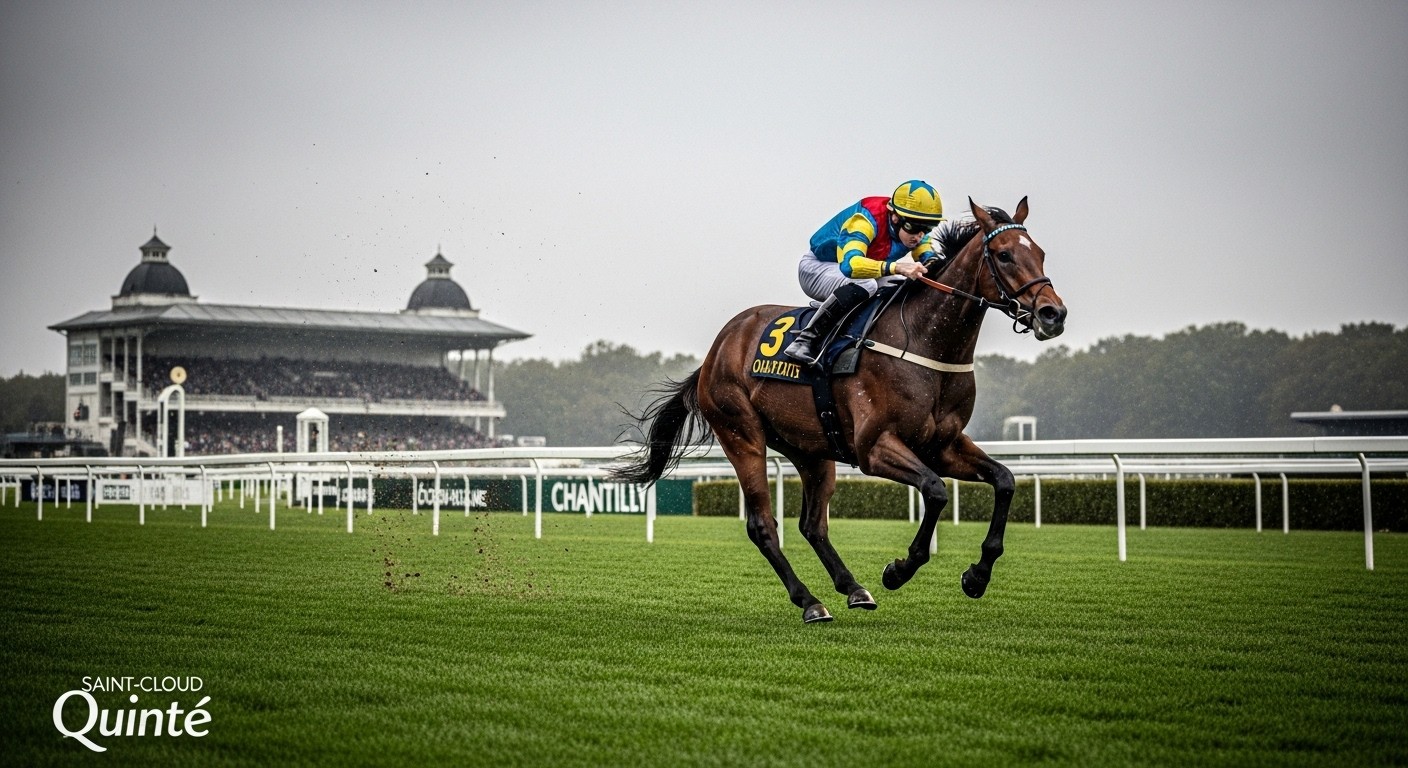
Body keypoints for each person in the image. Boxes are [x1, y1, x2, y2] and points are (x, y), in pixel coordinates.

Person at [784, 179, 946, 364]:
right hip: (817, 268)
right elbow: (850, 266)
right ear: (895, 217)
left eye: (927, 229)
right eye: (915, 227)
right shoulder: (865, 220)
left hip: (852, 271)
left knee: (899, 284)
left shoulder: (916, 235)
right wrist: (897, 267)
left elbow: (929, 259)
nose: (919, 236)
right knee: (867, 284)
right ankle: (805, 341)